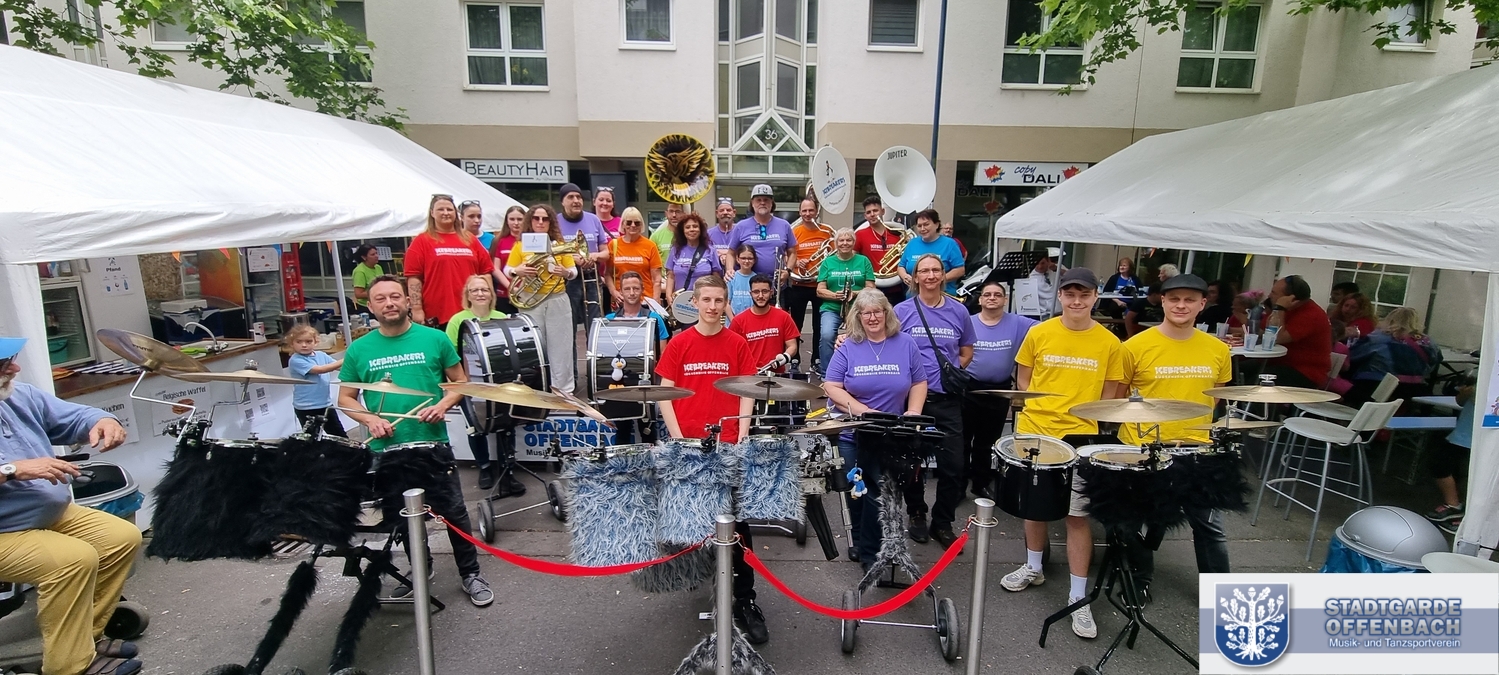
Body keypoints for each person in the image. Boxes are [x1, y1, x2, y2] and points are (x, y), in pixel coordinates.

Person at [337, 276, 494, 607]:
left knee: (454, 513)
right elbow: (346, 398)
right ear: (370, 306)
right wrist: (370, 419)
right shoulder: (359, 349)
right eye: (381, 299)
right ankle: (421, 570)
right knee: (404, 518)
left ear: (408, 301)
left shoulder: (434, 339)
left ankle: (471, 573)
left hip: (432, 445)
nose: (389, 303)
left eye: (395, 296)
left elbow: (460, 382)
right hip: (387, 449)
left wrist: (442, 405)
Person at [0, 338, 143, 675]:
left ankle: (84, 640)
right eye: (4, 365)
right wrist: (12, 469)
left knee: (121, 538)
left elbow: (74, 416)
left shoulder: (17, 395)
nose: (15, 368)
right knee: (72, 560)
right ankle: (70, 666)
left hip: (43, 513)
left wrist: (101, 421)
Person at [1001, 267, 1125, 641]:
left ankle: (1078, 596)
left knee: (1076, 516)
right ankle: (1033, 567)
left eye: (1084, 295)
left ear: (1095, 297)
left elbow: (1110, 393)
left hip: (1080, 435)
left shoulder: (1110, 343)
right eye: (1070, 294)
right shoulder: (1039, 333)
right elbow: (1024, 380)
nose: (1076, 301)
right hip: (1037, 431)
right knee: (1034, 507)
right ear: (1060, 296)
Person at [653, 276, 763, 642]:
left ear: (725, 302)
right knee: (694, 520)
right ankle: (704, 580)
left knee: (738, 524)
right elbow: (665, 393)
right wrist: (678, 438)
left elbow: (747, 389)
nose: (713, 307)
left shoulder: (737, 343)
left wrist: (742, 433)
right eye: (707, 300)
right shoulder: (680, 343)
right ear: (695, 303)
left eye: (719, 300)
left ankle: (745, 598)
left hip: (727, 444)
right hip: (689, 446)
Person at [1117, 274, 1234, 592]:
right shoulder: (1135, 346)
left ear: (1202, 304)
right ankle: (1139, 582)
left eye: (1189, 300)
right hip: (1143, 445)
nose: (1181, 305)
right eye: (1174, 299)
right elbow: (1118, 398)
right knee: (1132, 523)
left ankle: (1221, 596)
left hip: (1196, 446)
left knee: (1210, 526)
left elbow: (1216, 396)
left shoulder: (1217, 349)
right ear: (1163, 301)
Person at [822, 289, 928, 566]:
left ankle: (874, 549)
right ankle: (859, 539)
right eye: (865, 313)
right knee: (857, 489)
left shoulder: (905, 343)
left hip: (890, 434)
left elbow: (919, 381)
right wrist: (864, 411)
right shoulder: (849, 345)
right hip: (853, 432)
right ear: (858, 316)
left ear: (886, 313)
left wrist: (913, 411)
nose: (872, 317)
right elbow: (831, 386)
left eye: (877, 311)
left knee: (879, 491)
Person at [893, 254, 976, 549]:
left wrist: (949, 373)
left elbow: (966, 351)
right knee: (911, 463)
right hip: (911, 401)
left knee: (953, 465)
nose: (930, 275)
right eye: (924, 271)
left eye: (935, 270)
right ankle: (916, 512)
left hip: (947, 399)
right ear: (915, 277)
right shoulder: (901, 311)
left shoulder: (959, 311)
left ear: (943, 275)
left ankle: (942, 522)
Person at [961, 281, 1037, 500]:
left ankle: (981, 484)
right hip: (969, 388)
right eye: (987, 294)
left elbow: (1048, 329)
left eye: (997, 294)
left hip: (1000, 391)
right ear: (980, 300)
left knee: (987, 443)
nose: (992, 298)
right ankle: (958, 487)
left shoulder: (1019, 323)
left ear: (1005, 299)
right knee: (963, 441)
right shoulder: (967, 322)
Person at [444, 275, 516, 493]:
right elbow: (450, 356)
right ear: (467, 296)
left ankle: (507, 471)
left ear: (491, 294)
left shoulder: (501, 317)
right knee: (475, 429)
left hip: (499, 383)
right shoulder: (457, 320)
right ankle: (485, 468)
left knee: (506, 426)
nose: (480, 294)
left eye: (484, 290)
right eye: (474, 290)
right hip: (470, 384)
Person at [506, 204, 580, 394]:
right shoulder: (520, 245)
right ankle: (534, 390)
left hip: (557, 298)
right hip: (530, 300)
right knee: (533, 347)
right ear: (530, 221)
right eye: (536, 218)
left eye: (545, 219)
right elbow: (508, 269)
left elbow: (573, 271)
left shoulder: (559, 245)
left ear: (550, 222)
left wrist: (565, 272)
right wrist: (517, 270)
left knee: (561, 347)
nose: (540, 222)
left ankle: (563, 392)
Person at [601, 271, 670, 445]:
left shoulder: (655, 318)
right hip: (620, 383)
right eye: (627, 289)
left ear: (642, 290)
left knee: (648, 432)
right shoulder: (609, 320)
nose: (631, 293)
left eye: (635, 288)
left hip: (646, 383)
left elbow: (664, 354)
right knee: (622, 431)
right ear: (620, 291)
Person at [404, 194, 494, 327]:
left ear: (456, 213)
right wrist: (417, 309)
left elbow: (486, 273)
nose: (446, 213)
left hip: (472, 312)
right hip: (438, 313)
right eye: (441, 209)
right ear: (432, 213)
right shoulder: (421, 241)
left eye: (449, 209)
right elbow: (414, 278)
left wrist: (490, 304)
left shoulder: (470, 239)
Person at [1341, 306, 1440, 404]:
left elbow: (1353, 356)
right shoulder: (1428, 342)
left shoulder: (1377, 337)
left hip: (1377, 385)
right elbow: (1434, 362)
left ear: (1389, 319)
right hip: (1415, 388)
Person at [815, 228, 876, 376]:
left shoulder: (863, 260)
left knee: (860, 337)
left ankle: (857, 371)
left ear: (854, 242)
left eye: (848, 240)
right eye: (841, 240)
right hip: (831, 307)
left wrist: (854, 293)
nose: (845, 243)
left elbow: (871, 287)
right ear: (836, 243)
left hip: (858, 307)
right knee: (827, 335)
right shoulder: (828, 262)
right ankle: (827, 374)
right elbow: (819, 290)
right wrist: (835, 295)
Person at [555, 183, 611, 331]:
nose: (576, 201)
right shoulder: (555, 222)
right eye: (570, 197)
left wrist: (594, 256)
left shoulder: (593, 219)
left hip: (592, 277)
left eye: (578, 197)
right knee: (568, 325)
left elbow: (606, 253)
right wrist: (571, 258)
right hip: (566, 279)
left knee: (595, 325)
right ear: (562, 201)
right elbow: (551, 252)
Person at [1263, 274, 1332, 389]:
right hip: (1279, 363)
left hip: (1305, 371)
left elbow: (1277, 338)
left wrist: (1279, 308)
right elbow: (1262, 330)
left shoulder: (1311, 314)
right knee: (1237, 370)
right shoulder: (1291, 309)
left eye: (1274, 293)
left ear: (1292, 299)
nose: (1269, 296)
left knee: (1252, 381)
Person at [786, 198, 832, 368]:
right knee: (796, 324)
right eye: (804, 211)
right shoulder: (794, 231)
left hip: (820, 285)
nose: (807, 214)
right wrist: (798, 262)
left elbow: (834, 253)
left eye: (811, 210)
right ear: (800, 212)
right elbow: (788, 255)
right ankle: (795, 358)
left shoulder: (827, 231)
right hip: (799, 284)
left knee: (818, 325)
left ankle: (816, 360)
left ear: (817, 211)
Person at [1425, 383, 1474, 535]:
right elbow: (1460, 401)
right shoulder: (1485, 376)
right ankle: (1454, 506)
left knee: (1474, 478)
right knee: (1441, 465)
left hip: (1482, 437)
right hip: (1463, 433)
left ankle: (1470, 519)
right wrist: (1468, 392)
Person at [729, 274, 800, 374]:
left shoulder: (784, 317)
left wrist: (784, 357)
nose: (760, 296)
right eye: (756, 292)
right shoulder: (738, 321)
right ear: (750, 293)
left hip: (776, 376)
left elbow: (792, 346)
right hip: (749, 377)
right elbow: (731, 351)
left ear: (771, 293)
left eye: (765, 291)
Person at [728, 184, 797, 283]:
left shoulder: (784, 225)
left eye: (766, 200)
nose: (762, 203)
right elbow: (731, 253)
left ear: (772, 203)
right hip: (748, 284)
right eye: (758, 200)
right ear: (752, 203)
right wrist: (729, 270)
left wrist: (788, 271)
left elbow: (793, 253)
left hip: (777, 283)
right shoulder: (741, 226)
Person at [286, 324, 346, 438]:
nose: (304, 345)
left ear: (316, 342)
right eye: (299, 342)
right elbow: (320, 370)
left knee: (340, 437)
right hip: (306, 407)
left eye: (308, 341)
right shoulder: (295, 360)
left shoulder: (321, 355)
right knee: (312, 440)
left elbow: (339, 367)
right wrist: (346, 358)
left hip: (326, 404)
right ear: (292, 344)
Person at [605, 207, 664, 310]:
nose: (633, 225)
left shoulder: (650, 246)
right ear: (623, 224)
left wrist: (655, 301)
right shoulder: (613, 245)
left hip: (645, 302)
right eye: (629, 222)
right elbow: (608, 274)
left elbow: (657, 279)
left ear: (641, 225)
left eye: (637, 223)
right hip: (621, 302)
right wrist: (613, 292)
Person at [665, 213, 723, 316]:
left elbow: (716, 277)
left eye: (695, 226)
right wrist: (668, 296)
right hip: (682, 305)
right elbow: (671, 275)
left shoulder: (710, 250)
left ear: (700, 230)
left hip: (704, 303)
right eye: (687, 227)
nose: (692, 229)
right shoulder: (675, 250)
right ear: (683, 231)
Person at [897, 209, 965, 296]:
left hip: (942, 295)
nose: (922, 229)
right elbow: (901, 266)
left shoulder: (950, 244)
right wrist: (904, 276)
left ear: (937, 225)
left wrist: (939, 279)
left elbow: (960, 270)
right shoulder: (912, 243)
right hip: (913, 296)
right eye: (919, 226)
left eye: (926, 224)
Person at [853, 196, 905, 306]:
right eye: (868, 212)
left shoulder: (897, 233)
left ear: (883, 211)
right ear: (865, 216)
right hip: (872, 287)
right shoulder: (860, 235)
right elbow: (852, 259)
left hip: (896, 286)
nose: (872, 214)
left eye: (875, 210)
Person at [489, 205, 528, 314]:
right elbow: (495, 268)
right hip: (504, 294)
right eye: (512, 219)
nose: (516, 223)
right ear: (506, 221)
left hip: (528, 293)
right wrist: (511, 288)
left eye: (519, 219)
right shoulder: (499, 240)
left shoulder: (532, 240)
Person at [727, 245, 757, 319]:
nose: (746, 261)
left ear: (754, 260)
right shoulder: (731, 277)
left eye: (750, 258)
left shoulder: (757, 279)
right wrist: (733, 320)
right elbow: (726, 303)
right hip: (732, 320)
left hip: (750, 320)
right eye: (743, 258)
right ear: (737, 259)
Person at [351, 244, 384, 312]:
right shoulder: (360, 271)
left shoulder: (378, 267)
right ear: (364, 257)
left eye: (376, 253)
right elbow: (358, 294)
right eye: (372, 254)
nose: (376, 256)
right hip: (366, 307)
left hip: (379, 304)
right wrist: (377, 293)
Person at [709, 197, 739, 270]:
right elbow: (706, 254)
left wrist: (726, 254)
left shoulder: (741, 232)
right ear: (717, 213)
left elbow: (746, 253)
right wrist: (719, 256)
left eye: (728, 210)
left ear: (734, 213)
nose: (725, 213)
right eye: (721, 210)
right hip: (715, 275)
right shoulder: (708, 234)